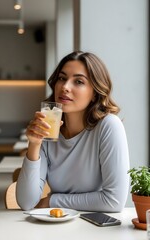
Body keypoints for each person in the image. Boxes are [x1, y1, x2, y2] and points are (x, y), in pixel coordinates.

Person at [16, 51, 130, 212]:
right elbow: (26, 203)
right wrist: (34, 145)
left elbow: (114, 201)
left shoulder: (109, 126)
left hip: (95, 229)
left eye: (78, 81)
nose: (65, 87)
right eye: (62, 78)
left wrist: (53, 201)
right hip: (56, 226)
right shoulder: (48, 127)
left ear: (94, 93)